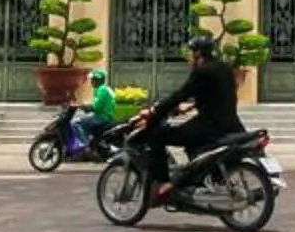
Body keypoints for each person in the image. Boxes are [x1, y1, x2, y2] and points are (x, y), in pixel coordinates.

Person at [139, 34, 242, 202]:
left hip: (210, 126)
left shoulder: (202, 71)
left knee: (157, 135)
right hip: (231, 123)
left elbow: (181, 94)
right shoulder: (223, 68)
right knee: (190, 141)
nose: (189, 56)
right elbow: (217, 95)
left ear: (197, 53)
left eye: (191, 52)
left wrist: (154, 110)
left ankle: (164, 183)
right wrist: (192, 106)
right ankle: (194, 180)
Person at [76, 67, 119, 156]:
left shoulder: (102, 90)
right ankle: (91, 144)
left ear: (98, 80)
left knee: (76, 123)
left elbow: (95, 106)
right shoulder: (105, 89)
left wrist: (81, 106)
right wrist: (85, 106)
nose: (91, 81)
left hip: (102, 117)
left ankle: (86, 148)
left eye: (93, 79)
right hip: (105, 115)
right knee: (84, 121)